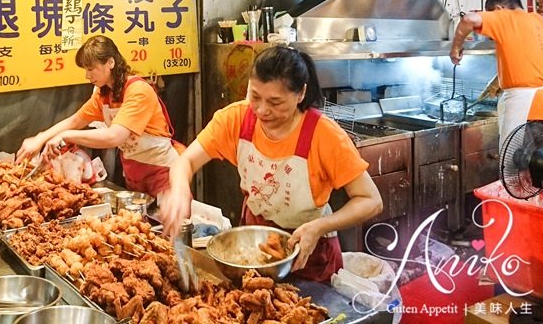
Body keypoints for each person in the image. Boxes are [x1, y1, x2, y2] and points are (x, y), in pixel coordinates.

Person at [161, 46, 382, 282]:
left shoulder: (323, 134)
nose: (262, 110)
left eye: (275, 102)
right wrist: (179, 189)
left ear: (301, 94)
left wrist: (320, 227)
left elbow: (371, 201)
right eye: (255, 96)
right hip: (254, 245)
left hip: (309, 252)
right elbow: (186, 161)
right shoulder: (236, 119)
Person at [16, 35, 184, 198]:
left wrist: (65, 136)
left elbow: (114, 137)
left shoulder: (138, 91)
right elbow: (76, 120)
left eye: (91, 69)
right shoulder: (103, 95)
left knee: (171, 224)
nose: (87, 76)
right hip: (133, 174)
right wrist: (40, 139)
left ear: (110, 62)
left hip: (163, 173)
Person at [450, 0, 543, 149]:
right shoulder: (538, 20)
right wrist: (498, 80)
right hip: (542, 108)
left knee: (512, 164)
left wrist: (456, 49)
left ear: (499, 9)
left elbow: (468, 19)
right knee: (539, 164)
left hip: (524, 108)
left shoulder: (505, 16)